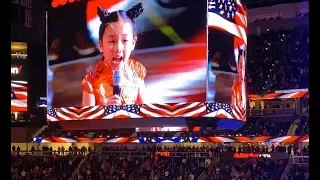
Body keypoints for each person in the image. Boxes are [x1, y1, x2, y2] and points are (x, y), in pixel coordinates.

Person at [81, 3, 148, 106]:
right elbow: (87, 120)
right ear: (101, 45)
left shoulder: (136, 72)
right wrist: (105, 110)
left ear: (133, 43)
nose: (118, 49)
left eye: (125, 40)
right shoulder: (91, 81)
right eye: (112, 42)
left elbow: (147, 113)